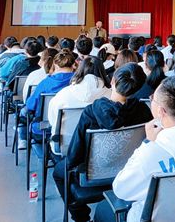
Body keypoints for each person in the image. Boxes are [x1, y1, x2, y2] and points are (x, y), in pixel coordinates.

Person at [93, 75, 175, 222]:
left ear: (161, 111)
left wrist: (147, 142)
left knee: (102, 210)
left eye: (152, 98)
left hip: (159, 217)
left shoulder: (150, 152)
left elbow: (121, 189)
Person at [53, 63, 152, 222]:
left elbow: (75, 154)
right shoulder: (144, 111)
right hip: (129, 172)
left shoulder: (91, 112)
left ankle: (80, 216)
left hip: (92, 175)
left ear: (112, 81)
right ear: (138, 87)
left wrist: (70, 164)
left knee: (59, 172)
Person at [18, 49, 76, 147]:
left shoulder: (46, 83)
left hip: (45, 129)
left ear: (55, 65)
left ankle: (23, 140)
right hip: (72, 129)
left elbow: (31, 105)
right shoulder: (78, 82)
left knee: (24, 111)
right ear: (73, 65)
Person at [47, 56, 111, 141]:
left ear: (80, 70)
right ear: (102, 71)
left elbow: (52, 120)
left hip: (66, 143)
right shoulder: (111, 96)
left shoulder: (62, 95)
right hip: (101, 144)